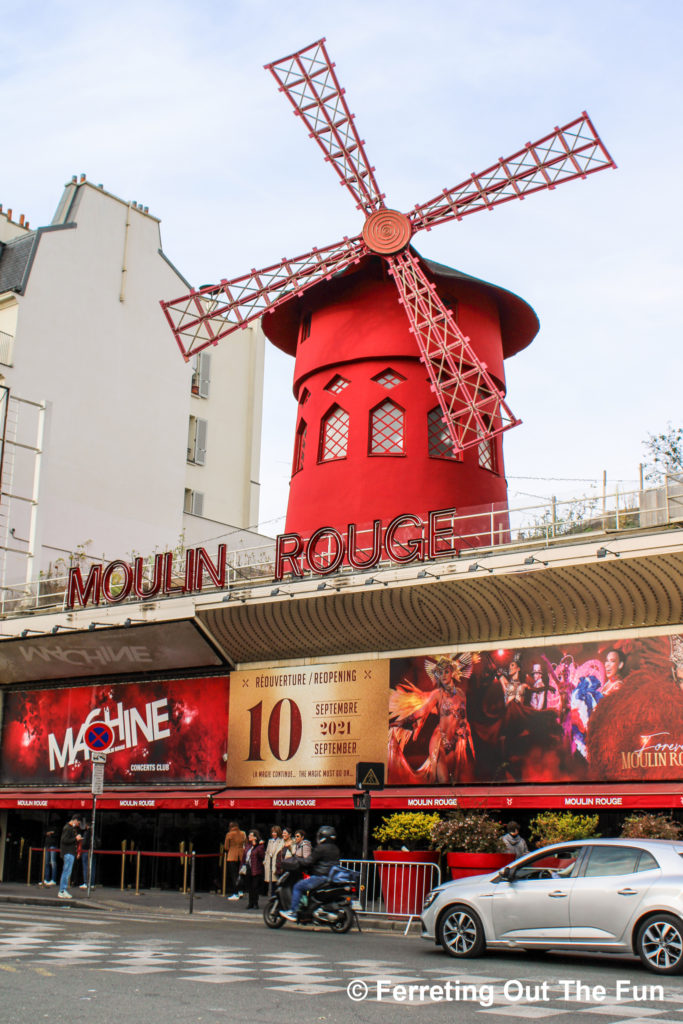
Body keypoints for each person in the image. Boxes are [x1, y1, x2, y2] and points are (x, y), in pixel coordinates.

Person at [279, 825, 340, 922]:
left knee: (298, 886)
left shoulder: (321, 848)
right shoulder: (335, 848)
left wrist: (299, 861)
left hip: (321, 876)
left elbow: (309, 861)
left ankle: (293, 912)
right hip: (330, 876)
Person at [58, 813, 82, 899]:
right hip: (68, 852)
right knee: (66, 872)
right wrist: (75, 839)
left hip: (69, 852)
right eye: (78, 823)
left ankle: (63, 890)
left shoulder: (70, 828)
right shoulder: (67, 828)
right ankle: (62, 890)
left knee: (67, 872)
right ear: (75, 820)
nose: (78, 824)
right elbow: (64, 840)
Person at [240, 829, 266, 909]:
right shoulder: (248, 845)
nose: (249, 837)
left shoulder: (260, 846)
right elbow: (244, 857)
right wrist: (241, 867)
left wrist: (258, 845)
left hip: (256, 868)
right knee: (249, 887)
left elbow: (262, 856)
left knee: (255, 886)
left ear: (255, 837)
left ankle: (255, 903)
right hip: (248, 868)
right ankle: (250, 903)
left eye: (251, 836)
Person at [224, 820, 246, 900]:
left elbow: (226, 847)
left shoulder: (229, 834)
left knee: (234, 875)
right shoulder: (243, 833)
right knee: (241, 874)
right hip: (241, 855)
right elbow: (245, 844)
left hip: (232, 855)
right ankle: (241, 891)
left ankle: (235, 892)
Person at [263, 825, 284, 895]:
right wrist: (265, 861)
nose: (273, 834)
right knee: (270, 880)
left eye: (275, 832)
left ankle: (275, 895)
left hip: (276, 863)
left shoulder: (282, 841)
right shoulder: (270, 841)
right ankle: (271, 895)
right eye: (272, 832)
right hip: (269, 862)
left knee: (276, 881)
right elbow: (267, 852)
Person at [79, 821, 92, 889]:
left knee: (85, 867)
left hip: (85, 850)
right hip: (91, 850)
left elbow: (84, 843)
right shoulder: (93, 832)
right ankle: (90, 882)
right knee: (90, 867)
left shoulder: (87, 832)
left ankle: (85, 882)